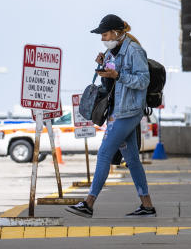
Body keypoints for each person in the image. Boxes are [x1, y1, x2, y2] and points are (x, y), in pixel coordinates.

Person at [66, 14, 155, 218]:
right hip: (117, 110)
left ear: (117, 32)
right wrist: (104, 70)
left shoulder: (134, 51)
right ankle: (147, 205)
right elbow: (110, 86)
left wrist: (118, 75)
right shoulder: (110, 54)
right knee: (132, 159)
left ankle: (89, 203)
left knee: (104, 154)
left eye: (105, 35)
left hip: (129, 111)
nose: (103, 39)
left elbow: (143, 81)